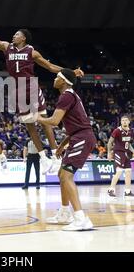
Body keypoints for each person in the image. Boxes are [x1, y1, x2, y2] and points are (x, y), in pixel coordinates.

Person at [0, 17, 84, 174]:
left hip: (32, 87)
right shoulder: (7, 47)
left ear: (24, 38)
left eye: (16, 34)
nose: (13, 36)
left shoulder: (32, 52)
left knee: (44, 122)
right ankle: (44, 159)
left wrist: (70, 72)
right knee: (30, 126)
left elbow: (49, 66)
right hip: (18, 90)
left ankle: (56, 157)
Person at [38, 69, 96, 231]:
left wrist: (37, 118)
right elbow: (74, 127)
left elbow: (55, 121)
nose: (54, 79)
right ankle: (64, 213)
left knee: (66, 175)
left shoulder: (66, 96)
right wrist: (62, 145)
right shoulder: (70, 95)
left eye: (57, 77)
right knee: (61, 174)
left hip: (82, 138)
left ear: (64, 81)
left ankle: (80, 218)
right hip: (78, 136)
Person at [107, 116, 134, 197]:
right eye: (123, 120)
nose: (124, 122)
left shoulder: (131, 131)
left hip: (126, 153)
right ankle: (111, 189)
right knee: (118, 171)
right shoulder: (117, 131)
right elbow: (110, 142)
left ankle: (127, 191)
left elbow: (128, 144)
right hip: (118, 153)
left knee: (128, 171)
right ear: (121, 122)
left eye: (126, 120)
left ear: (129, 122)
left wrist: (133, 151)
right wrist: (109, 153)